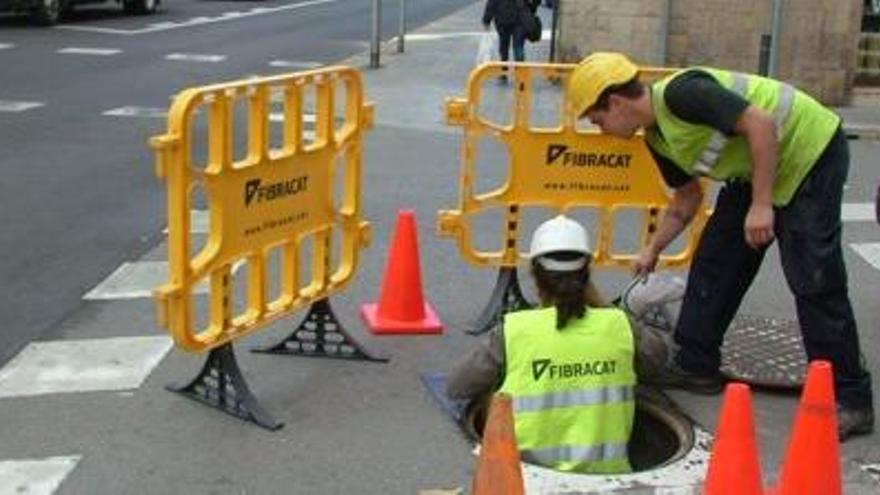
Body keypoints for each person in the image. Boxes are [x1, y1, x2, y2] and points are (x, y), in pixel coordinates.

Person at [566, 52, 874, 440]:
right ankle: (696, 363)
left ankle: (851, 398)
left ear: (616, 102)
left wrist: (762, 205)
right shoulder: (657, 138)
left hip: (808, 152)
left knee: (813, 279)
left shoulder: (682, 94)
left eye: (599, 120)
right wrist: (652, 249)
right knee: (717, 260)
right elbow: (686, 200)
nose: (601, 129)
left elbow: (760, 124)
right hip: (756, 166)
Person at [447, 215, 639, 474]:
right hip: (608, 476)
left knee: (495, 387)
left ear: (536, 276)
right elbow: (662, 360)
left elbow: (457, 386)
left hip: (527, 476)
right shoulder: (619, 326)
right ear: (587, 273)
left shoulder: (514, 331)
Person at [481, 0, 539, 81]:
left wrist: (486, 20)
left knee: (504, 47)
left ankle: (504, 71)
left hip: (503, 18)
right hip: (519, 18)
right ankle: (519, 73)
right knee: (518, 47)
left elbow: (492, 3)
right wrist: (531, 9)